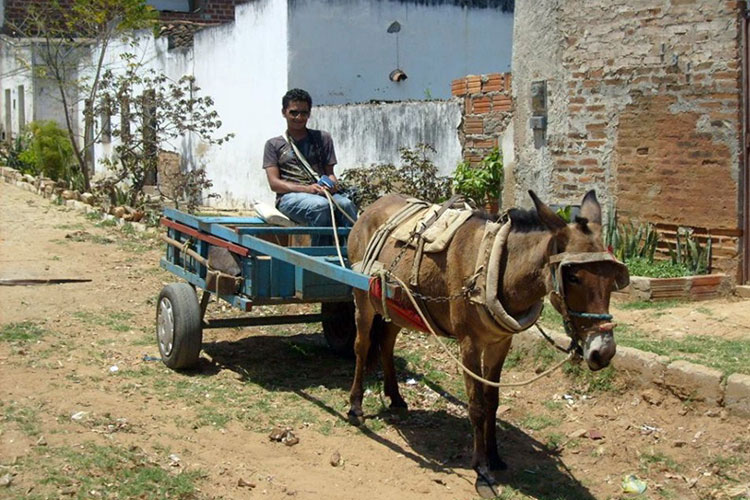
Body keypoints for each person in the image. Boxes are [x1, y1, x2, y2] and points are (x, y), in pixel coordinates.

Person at [263, 88, 358, 245]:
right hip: (289, 198)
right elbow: (275, 184)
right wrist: (307, 189)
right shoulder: (274, 144)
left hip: (322, 193)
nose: (299, 117)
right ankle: (321, 256)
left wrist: (332, 185)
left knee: (346, 204)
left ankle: (352, 253)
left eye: (304, 113)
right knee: (320, 206)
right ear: (284, 112)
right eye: (294, 112)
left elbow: (330, 174)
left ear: (309, 113)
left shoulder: (323, 138)